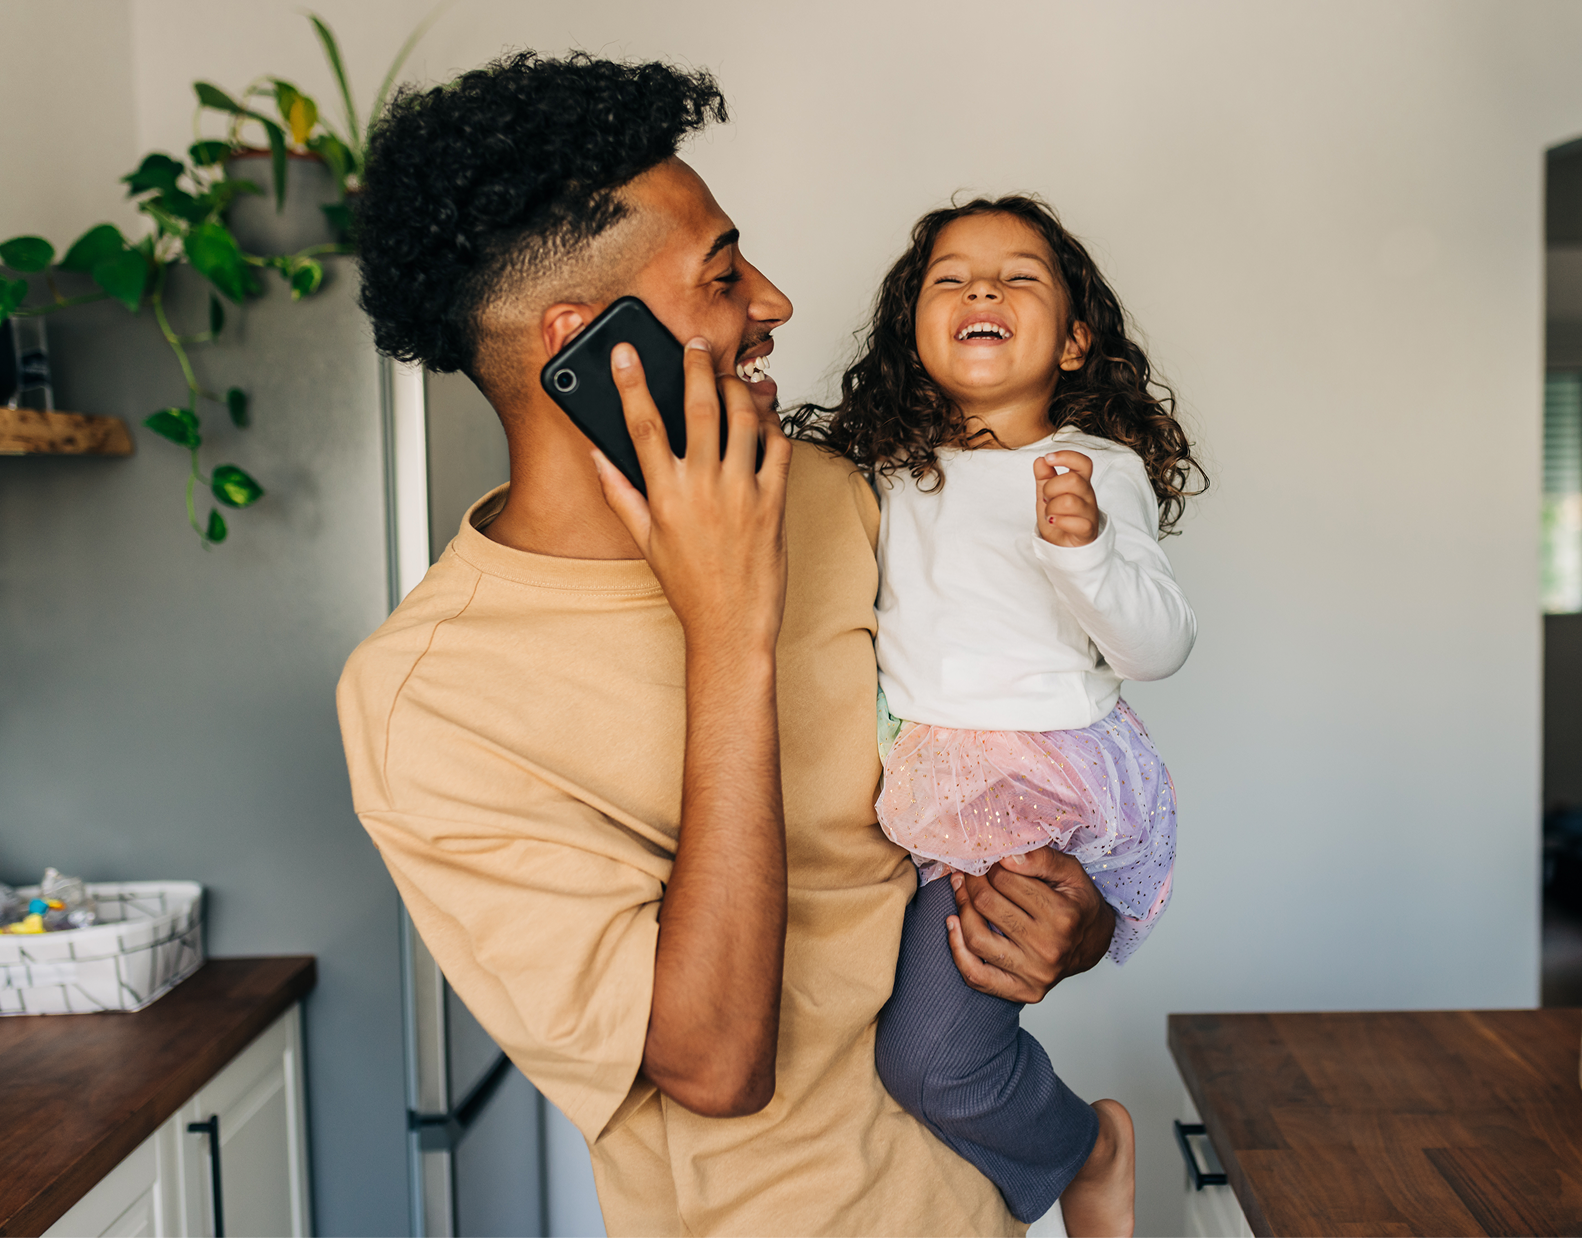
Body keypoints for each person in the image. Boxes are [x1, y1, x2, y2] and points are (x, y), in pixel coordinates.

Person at [336, 53, 1122, 1236]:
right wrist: (728, 626)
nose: (773, 300)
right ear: (591, 344)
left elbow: (1027, 746)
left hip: (988, 1202)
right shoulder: (426, 702)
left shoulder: (834, 497)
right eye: (719, 275)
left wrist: (1078, 915)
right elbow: (709, 1063)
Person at [787, 197, 1201, 1238]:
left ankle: (1089, 1148)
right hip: (920, 776)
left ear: (1072, 339)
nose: (981, 289)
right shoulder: (885, 470)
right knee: (879, 1035)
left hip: (1032, 781)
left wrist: (1084, 549)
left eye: (1018, 276)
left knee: (931, 1059)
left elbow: (1156, 649)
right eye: (949, 278)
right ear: (910, 334)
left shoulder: (1090, 470)